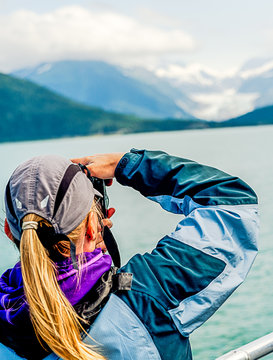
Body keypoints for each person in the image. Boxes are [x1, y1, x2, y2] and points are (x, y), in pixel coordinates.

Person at [0, 148, 259, 360]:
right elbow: (231, 202)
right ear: (93, 226)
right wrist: (127, 164)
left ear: (9, 232)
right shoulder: (149, 296)